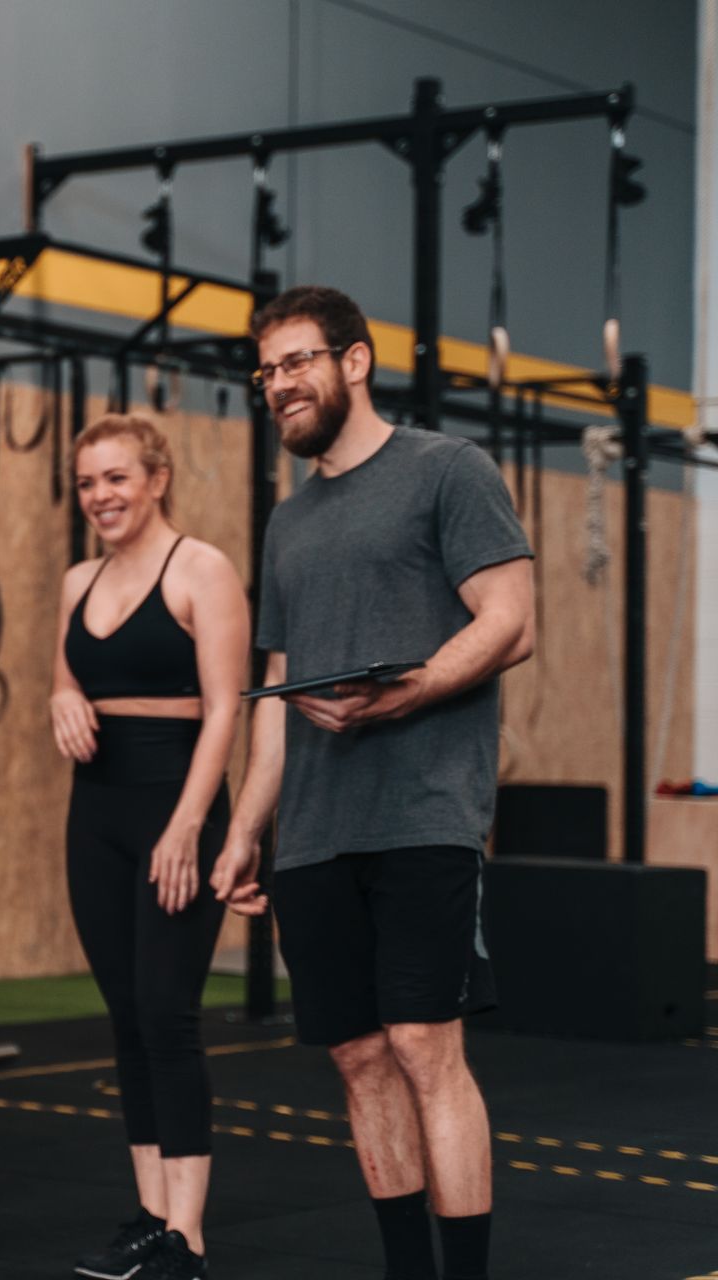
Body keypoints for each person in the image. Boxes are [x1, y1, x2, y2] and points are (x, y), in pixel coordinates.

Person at [210, 286, 534, 1280]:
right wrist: (242, 828)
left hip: (423, 809)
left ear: (356, 362)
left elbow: (511, 618)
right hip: (313, 827)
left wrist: (408, 691)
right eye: (267, 370)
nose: (280, 385)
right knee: (357, 1055)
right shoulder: (289, 521)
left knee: (423, 1042)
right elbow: (275, 689)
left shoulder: (448, 470)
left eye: (297, 361)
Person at [54, 415, 249, 1280]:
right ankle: (148, 1214)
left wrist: (188, 824)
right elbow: (71, 675)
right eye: (89, 482)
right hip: (94, 813)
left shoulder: (201, 570)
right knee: (127, 1016)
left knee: (169, 1013)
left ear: (157, 478)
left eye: (116, 478)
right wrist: (58, 697)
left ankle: (188, 1238)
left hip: (179, 801)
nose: (101, 495)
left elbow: (227, 710)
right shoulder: (75, 581)